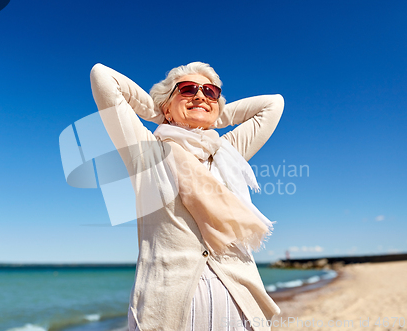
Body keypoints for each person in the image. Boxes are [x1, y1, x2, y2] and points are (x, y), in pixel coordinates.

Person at [90, 62, 284, 331]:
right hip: (167, 315)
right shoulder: (146, 152)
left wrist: (213, 115)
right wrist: (161, 113)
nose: (200, 95)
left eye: (211, 92)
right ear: (167, 106)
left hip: (240, 309)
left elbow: (272, 105)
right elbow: (103, 78)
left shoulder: (226, 151)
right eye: (188, 89)